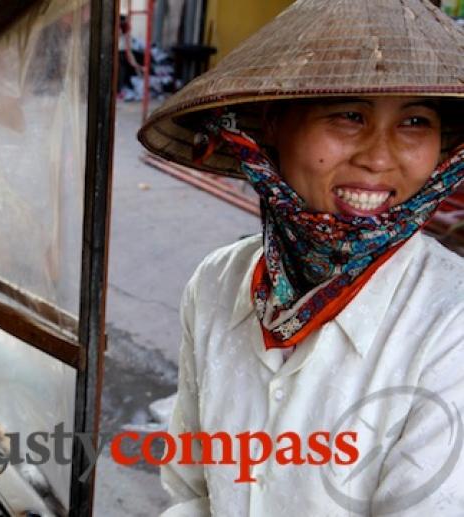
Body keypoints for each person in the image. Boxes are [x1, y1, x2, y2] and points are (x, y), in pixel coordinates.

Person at [137, 0, 464, 514]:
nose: (379, 157)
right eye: (350, 115)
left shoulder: (451, 320)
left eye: (415, 120)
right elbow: (192, 490)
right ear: (270, 128)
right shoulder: (218, 282)